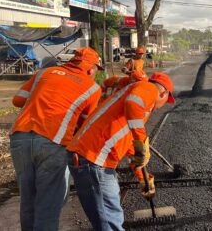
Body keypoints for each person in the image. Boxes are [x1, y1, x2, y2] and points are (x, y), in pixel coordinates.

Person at [66, 72, 175, 230]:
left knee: (107, 218)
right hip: (93, 158)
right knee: (110, 220)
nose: (162, 106)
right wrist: (141, 142)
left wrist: (143, 177)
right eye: (166, 101)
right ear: (163, 93)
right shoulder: (148, 88)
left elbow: (131, 148)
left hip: (90, 159)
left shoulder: (134, 109)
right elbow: (133, 104)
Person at [10, 47, 103, 230]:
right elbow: (84, 126)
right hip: (52, 143)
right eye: (96, 71)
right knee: (48, 204)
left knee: (28, 200)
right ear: (91, 68)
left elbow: (18, 100)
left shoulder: (44, 72)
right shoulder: (92, 88)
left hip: (19, 138)